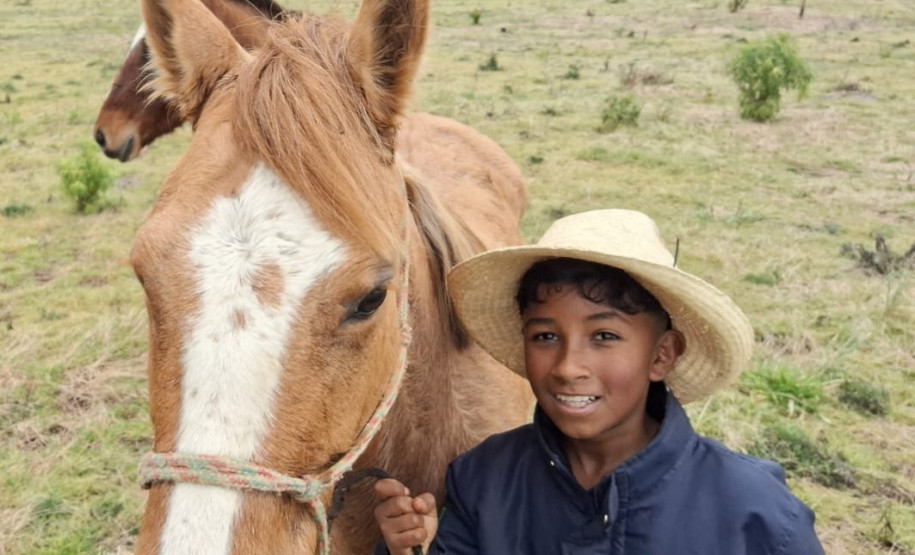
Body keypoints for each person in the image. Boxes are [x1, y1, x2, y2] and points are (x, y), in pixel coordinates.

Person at [373, 209, 825, 554]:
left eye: (604, 336)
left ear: (662, 354)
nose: (569, 366)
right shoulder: (484, 479)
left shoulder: (756, 513)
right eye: (546, 335)